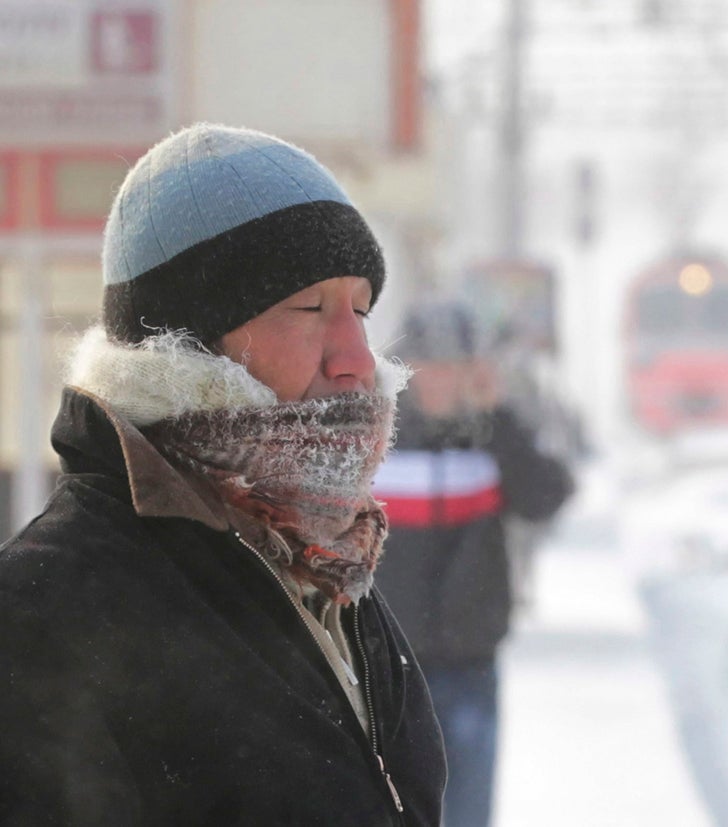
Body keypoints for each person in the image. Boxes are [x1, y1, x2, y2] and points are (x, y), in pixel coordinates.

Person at [0, 123, 446, 826]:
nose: (358, 358)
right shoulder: (46, 611)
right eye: (309, 308)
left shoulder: (327, 571)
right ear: (191, 345)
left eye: (360, 310)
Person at [372, 299, 575, 827]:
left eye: (456, 366)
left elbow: (547, 496)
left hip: (469, 663)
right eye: (430, 366)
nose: (443, 379)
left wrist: (499, 415)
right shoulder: (376, 441)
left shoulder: (492, 437)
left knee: (465, 814)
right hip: (385, 672)